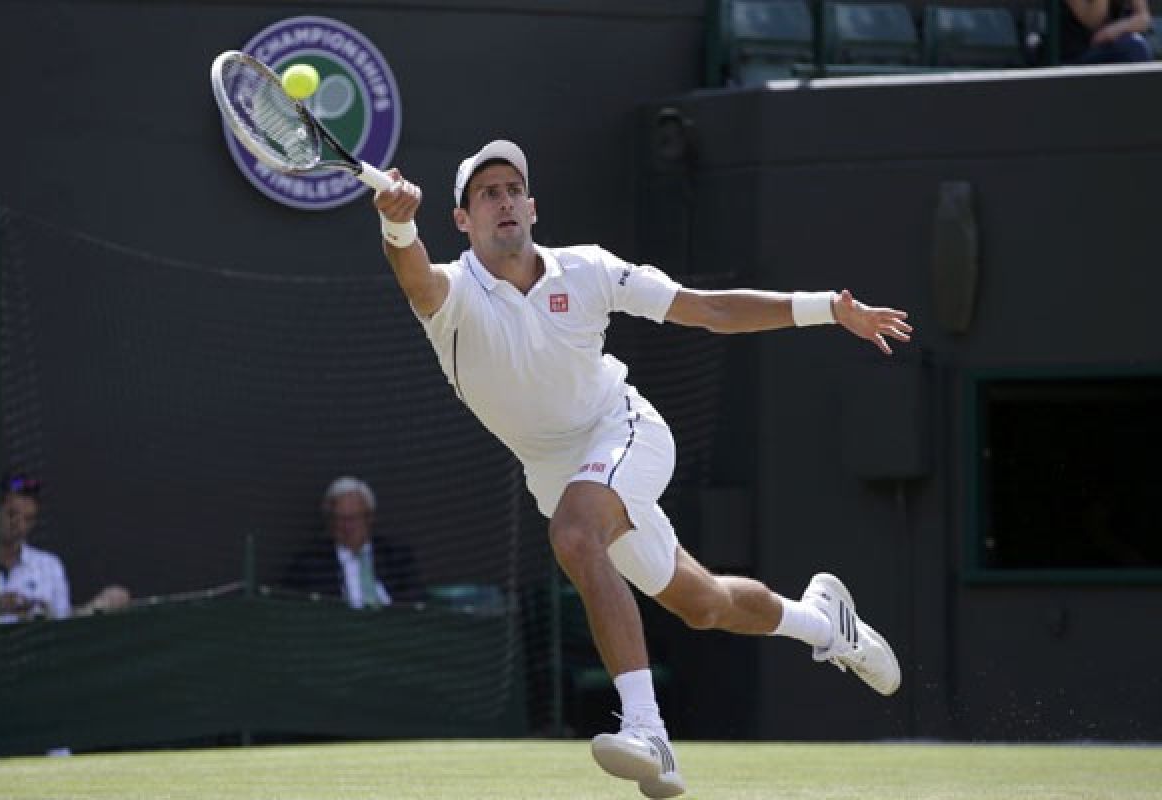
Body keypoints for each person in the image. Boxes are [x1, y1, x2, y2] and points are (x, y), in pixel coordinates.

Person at [372, 140, 912, 798]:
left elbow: (708, 308)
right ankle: (826, 623)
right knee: (704, 604)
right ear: (463, 221)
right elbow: (414, 277)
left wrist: (826, 306)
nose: (504, 200)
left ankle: (648, 729)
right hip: (557, 473)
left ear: (534, 206)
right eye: (487, 193)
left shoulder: (590, 271)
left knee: (575, 534)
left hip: (625, 433)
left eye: (514, 188)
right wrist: (397, 222)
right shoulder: (452, 296)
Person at [0, 473, 131, 625]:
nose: (20, 526)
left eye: (28, 519)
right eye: (11, 515)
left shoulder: (49, 566)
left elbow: (62, 626)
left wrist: (96, 607)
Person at [284, 476, 424, 607]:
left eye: (354, 518)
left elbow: (417, 601)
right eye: (339, 518)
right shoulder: (311, 564)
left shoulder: (396, 557)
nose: (347, 526)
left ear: (369, 518)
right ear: (330, 521)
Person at [1060, 0, 1154, 64]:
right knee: (1133, 48)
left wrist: (1112, 31)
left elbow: (1143, 18)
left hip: (1115, 45)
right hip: (1077, 55)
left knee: (1136, 46)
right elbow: (1094, 22)